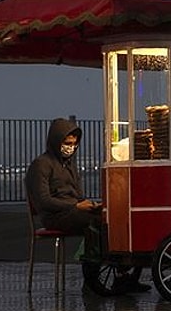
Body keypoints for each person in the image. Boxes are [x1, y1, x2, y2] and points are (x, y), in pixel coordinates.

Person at [25, 118, 148, 293]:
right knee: (96, 223)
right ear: (56, 141)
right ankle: (91, 280)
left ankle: (124, 275)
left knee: (117, 219)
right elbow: (44, 201)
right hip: (55, 217)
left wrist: (90, 205)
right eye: (67, 143)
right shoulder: (41, 165)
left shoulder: (69, 165)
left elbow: (78, 196)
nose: (71, 147)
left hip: (73, 211)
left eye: (74, 144)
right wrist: (75, 206)